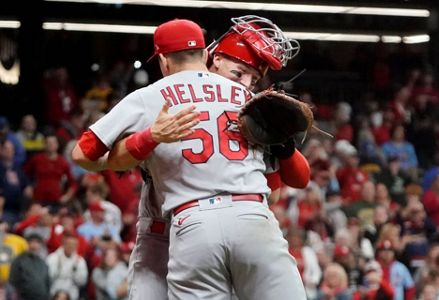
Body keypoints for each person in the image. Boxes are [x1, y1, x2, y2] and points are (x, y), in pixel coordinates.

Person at [72, 16, 308, 300]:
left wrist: (148, 138)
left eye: (253, 78)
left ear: (163, 61)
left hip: (189, 223)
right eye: (240, 72)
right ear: (210, 56)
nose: (247, 82)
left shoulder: (150, 97)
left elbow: (87, 155)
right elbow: (277, 192)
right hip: (239, 217)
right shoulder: (248, 102)